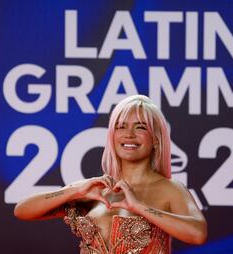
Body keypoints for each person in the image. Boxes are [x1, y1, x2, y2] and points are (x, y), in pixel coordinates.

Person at [14, 95, 207, 253]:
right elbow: (22, 210)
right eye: (121, 126)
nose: (128, 134)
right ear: (112, 136)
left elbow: (198, 234)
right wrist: (73, 191)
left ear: (156, 139)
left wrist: (140, 207)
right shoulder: (95, 190)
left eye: (140, 127)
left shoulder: (170, 189)